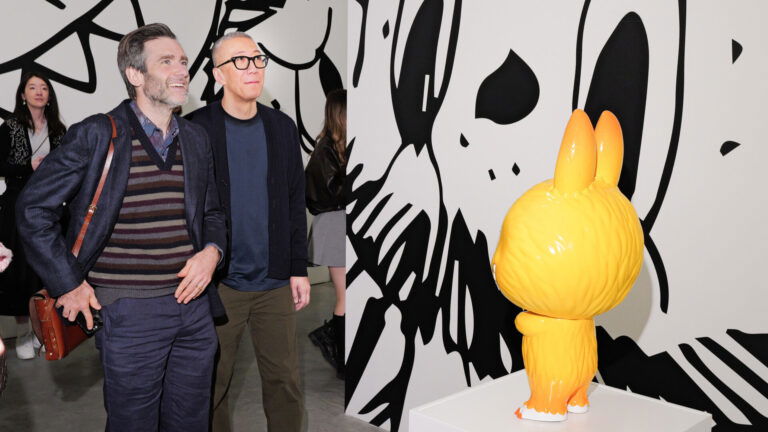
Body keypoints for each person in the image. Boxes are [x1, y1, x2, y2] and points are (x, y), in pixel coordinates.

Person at [15, 23, 226, 431]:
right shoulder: (97, 134)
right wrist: (68, 283)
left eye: (183, 61)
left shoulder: (196, 139)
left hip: (195, 310)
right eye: (167, 62)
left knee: (192, 422)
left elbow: (213, 214)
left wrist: (211, 253)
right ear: (135, 75)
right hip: (129, 312)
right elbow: (33, 209)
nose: (182, 70)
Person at [187, 31, 310, 432]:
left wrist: (298, 267)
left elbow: (294, 201)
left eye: (257, 59)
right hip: (220, 285)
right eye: (240, 61)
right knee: (212, 384)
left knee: (284, 383)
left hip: (274, 281)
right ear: (218, 74)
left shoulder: (282, 127)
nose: (253, 68)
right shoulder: (196, 129)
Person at [0, 71, 67, 359]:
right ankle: (25, 333)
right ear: (22, 95)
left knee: (46, 269)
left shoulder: (59, 130)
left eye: (44, 88)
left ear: (49, 96)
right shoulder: (11, 127)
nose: (39, 92)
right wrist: (29, 166)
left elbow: (68, 168)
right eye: (32, 87)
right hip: (16, 206)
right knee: (19, 273)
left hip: (50, 207)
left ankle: (47, 329)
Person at [305, 89, 347, 379]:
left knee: (349, 295)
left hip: (340, 223)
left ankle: (340, 349)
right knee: (346, 296)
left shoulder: (335, 147)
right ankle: (344, 361)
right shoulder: (326, 150)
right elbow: (331, 193)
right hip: (335, 225)